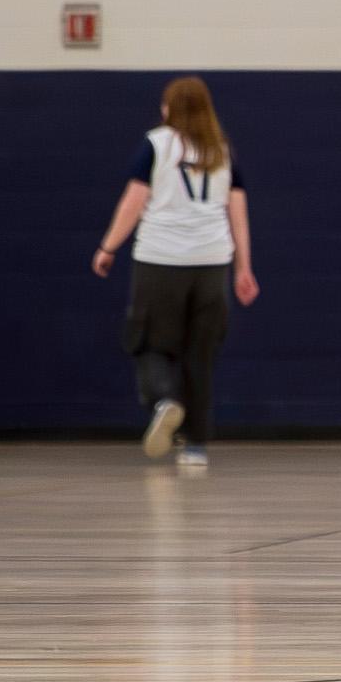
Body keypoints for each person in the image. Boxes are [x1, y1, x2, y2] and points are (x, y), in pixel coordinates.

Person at [92, 75, 259, 470]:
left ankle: (165, 400)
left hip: (160, 260)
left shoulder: (156, 144)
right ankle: (196, 447)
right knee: (200, 354)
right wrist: (244, 268)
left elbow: (134, 201)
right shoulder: (222, 150)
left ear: (171, 109)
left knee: (149, 342)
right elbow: (238, 212)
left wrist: (108, 246)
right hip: (212, 262)